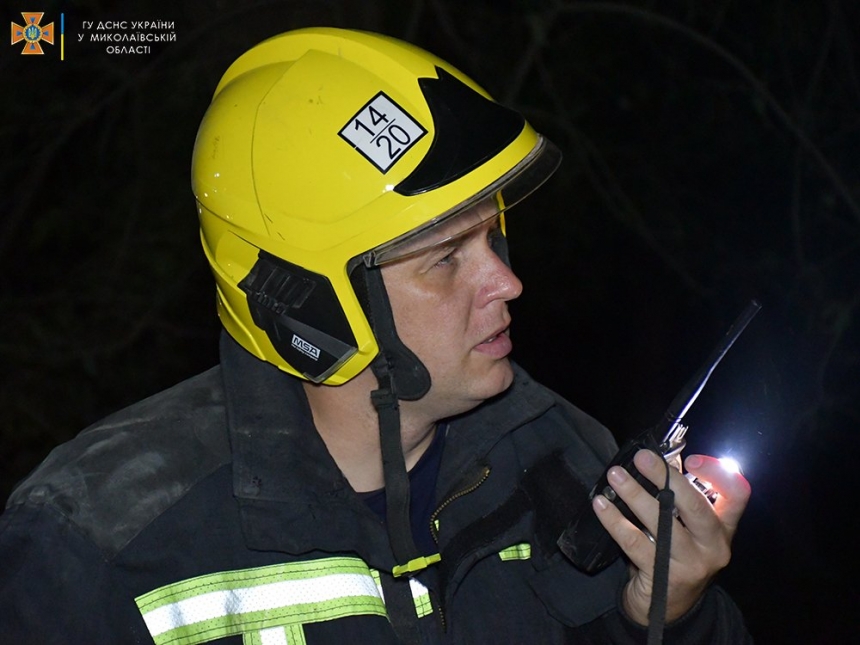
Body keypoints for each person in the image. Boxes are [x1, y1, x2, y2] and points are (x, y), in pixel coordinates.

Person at [0, 27, 753, 644]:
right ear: (309, 308)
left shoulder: (560, 459)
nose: (507, 283)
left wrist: (672, 617)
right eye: (446, 259)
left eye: (494, 240)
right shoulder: (99, 542)